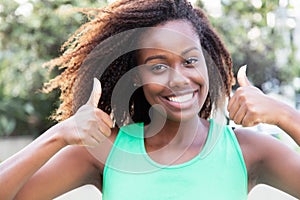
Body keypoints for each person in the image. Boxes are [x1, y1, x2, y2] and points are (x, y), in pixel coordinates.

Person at [1, 0, 300, 199]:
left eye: (190, 61)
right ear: (135, 78)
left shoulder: (249, 151)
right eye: (158, 66)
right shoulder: (104, 151)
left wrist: (286, 116)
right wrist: (57, 135)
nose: (179, 79)